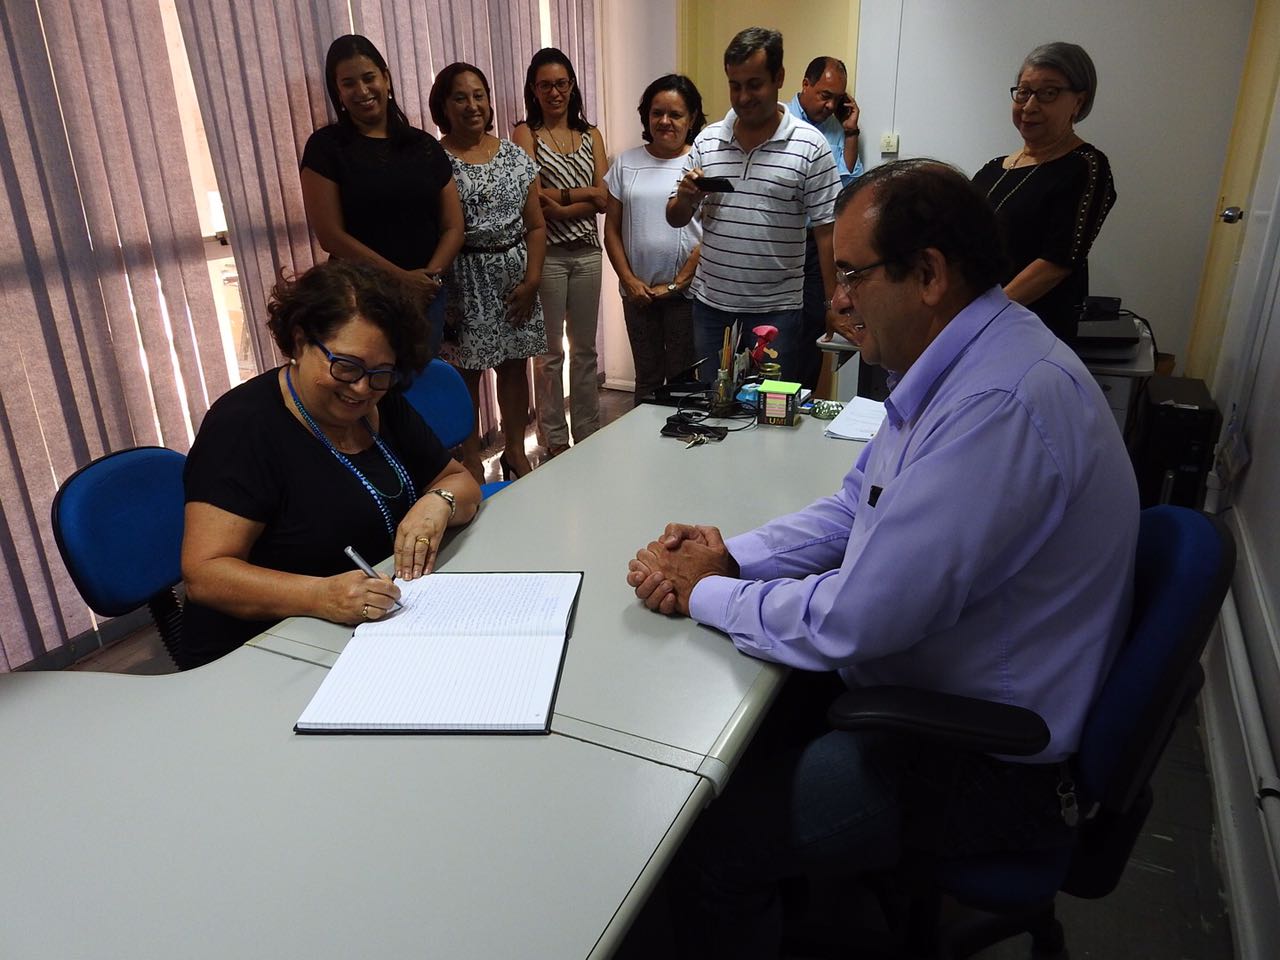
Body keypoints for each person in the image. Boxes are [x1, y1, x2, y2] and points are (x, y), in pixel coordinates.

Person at [627, 160, 1139, 958]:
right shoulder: (964, 361)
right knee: (730, 747)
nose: (835, 298)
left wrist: (704, 596)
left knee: (711, 843)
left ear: (928, 274)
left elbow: (858, 616)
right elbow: (855, 507)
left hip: (986, 761)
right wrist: (732, 555)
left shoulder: (996, 404)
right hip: (938, 689)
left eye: (853, 275)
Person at [181, 261, 482, 669]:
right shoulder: (243, 427)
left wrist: (437, 502)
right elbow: (205, 575)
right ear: (300, 340)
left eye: (380, 373)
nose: (361, 388)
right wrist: (321, 596)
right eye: (346, 367)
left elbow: (458, 481)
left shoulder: (378, 398)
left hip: (374, 626)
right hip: (268, 648)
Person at [667, 27, 841, 385]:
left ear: (778, 78)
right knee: (713, 411)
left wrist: (832, 305)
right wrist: (685, 197)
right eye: (735, 85)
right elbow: (675, 218)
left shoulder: (811, 146)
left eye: (754, 84)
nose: (743, 96)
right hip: (711, 309)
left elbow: (827, 233)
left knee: (772, 415)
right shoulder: (707, 140)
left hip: (778, 314)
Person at [300, 34, 465, 352]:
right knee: (367, 392)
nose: (361, 91)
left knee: (419, 391)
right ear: (338, 91)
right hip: (359, 300)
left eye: (368, 77)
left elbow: (453, 226)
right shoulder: (326, 147)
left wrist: (427, 280)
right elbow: (330, 236)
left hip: (425, 297)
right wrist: (402, 279)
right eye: (348, 83)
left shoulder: (424, 145)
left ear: (386, 79)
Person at [429, 62, 547, 482]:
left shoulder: (515, 155)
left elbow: (535, 224)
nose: (472, 104)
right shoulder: (434, 159)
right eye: (460, 97)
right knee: (467, 373)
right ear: (443, 105)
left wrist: (533, 280)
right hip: (465, 278)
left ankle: (515, 448)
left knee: (515, 366)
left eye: (479, 95)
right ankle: (470, 458)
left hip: (515, 274)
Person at [970, 41, 1116, 342]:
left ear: (1078, 101)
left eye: (1048, 93)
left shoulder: (1086, 166)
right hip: (972, 320)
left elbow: (1057, 262)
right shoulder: (993, 168)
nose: (1029, 106)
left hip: (1029, 331)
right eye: (1023, 92)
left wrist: (983, 316)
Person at [513, 48, 607, 458]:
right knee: (550, 354)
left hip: (587, 252)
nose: (555, 92)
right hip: (546, 256)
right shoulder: (524, 134)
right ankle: (553, 439)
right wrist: (583, 196)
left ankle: (587, 431)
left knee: (584, 350)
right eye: (545, 85)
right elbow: (532, 197)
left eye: (562, 84)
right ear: (533, 90)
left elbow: (604, 197)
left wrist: (566, 202)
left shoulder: (591, 134)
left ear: (572, 86)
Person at [603, 74, 705, 404]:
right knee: (646, 381)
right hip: (639, 295)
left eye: (675, 114)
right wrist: (629, 281)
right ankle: (643, 452)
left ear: (691, 119)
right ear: (646, 116)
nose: (665, 121)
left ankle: (679, 453)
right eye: (656, 112)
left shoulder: (701, 163)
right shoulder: (626, 163)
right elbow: (612, 230)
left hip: (685, 295)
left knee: (682, 382)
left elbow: (710, 233)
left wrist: (678, 283)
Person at [789, 55, 865, 389]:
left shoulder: (835, 127)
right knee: (778, 334)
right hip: (782, 244)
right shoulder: (781, 121)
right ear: (805, 85)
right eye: (824, 95)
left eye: (837, 98)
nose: (830, 104)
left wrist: (850, 134)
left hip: (819, 244)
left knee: (813, 333)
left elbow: (847, 191)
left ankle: (799, 407)